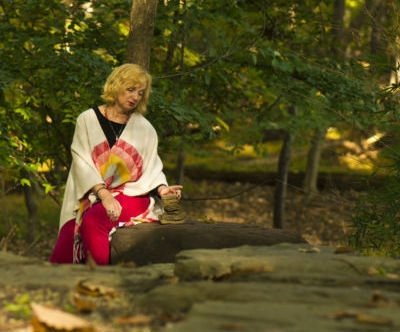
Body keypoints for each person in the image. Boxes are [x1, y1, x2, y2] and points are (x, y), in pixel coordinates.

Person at [49, 63, 182, 265]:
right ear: (115, 86)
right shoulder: (87, 120)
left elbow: (152, 168)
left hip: (132, 194)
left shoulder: (144, 128)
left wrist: (163, 190)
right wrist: (104, 195)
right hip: (92, 193)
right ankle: (54, 285)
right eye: (130, 90)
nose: (135, 97)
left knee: (94, 220)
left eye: (140, 93)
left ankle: (102, 282)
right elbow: (82, 163)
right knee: (69, 233)